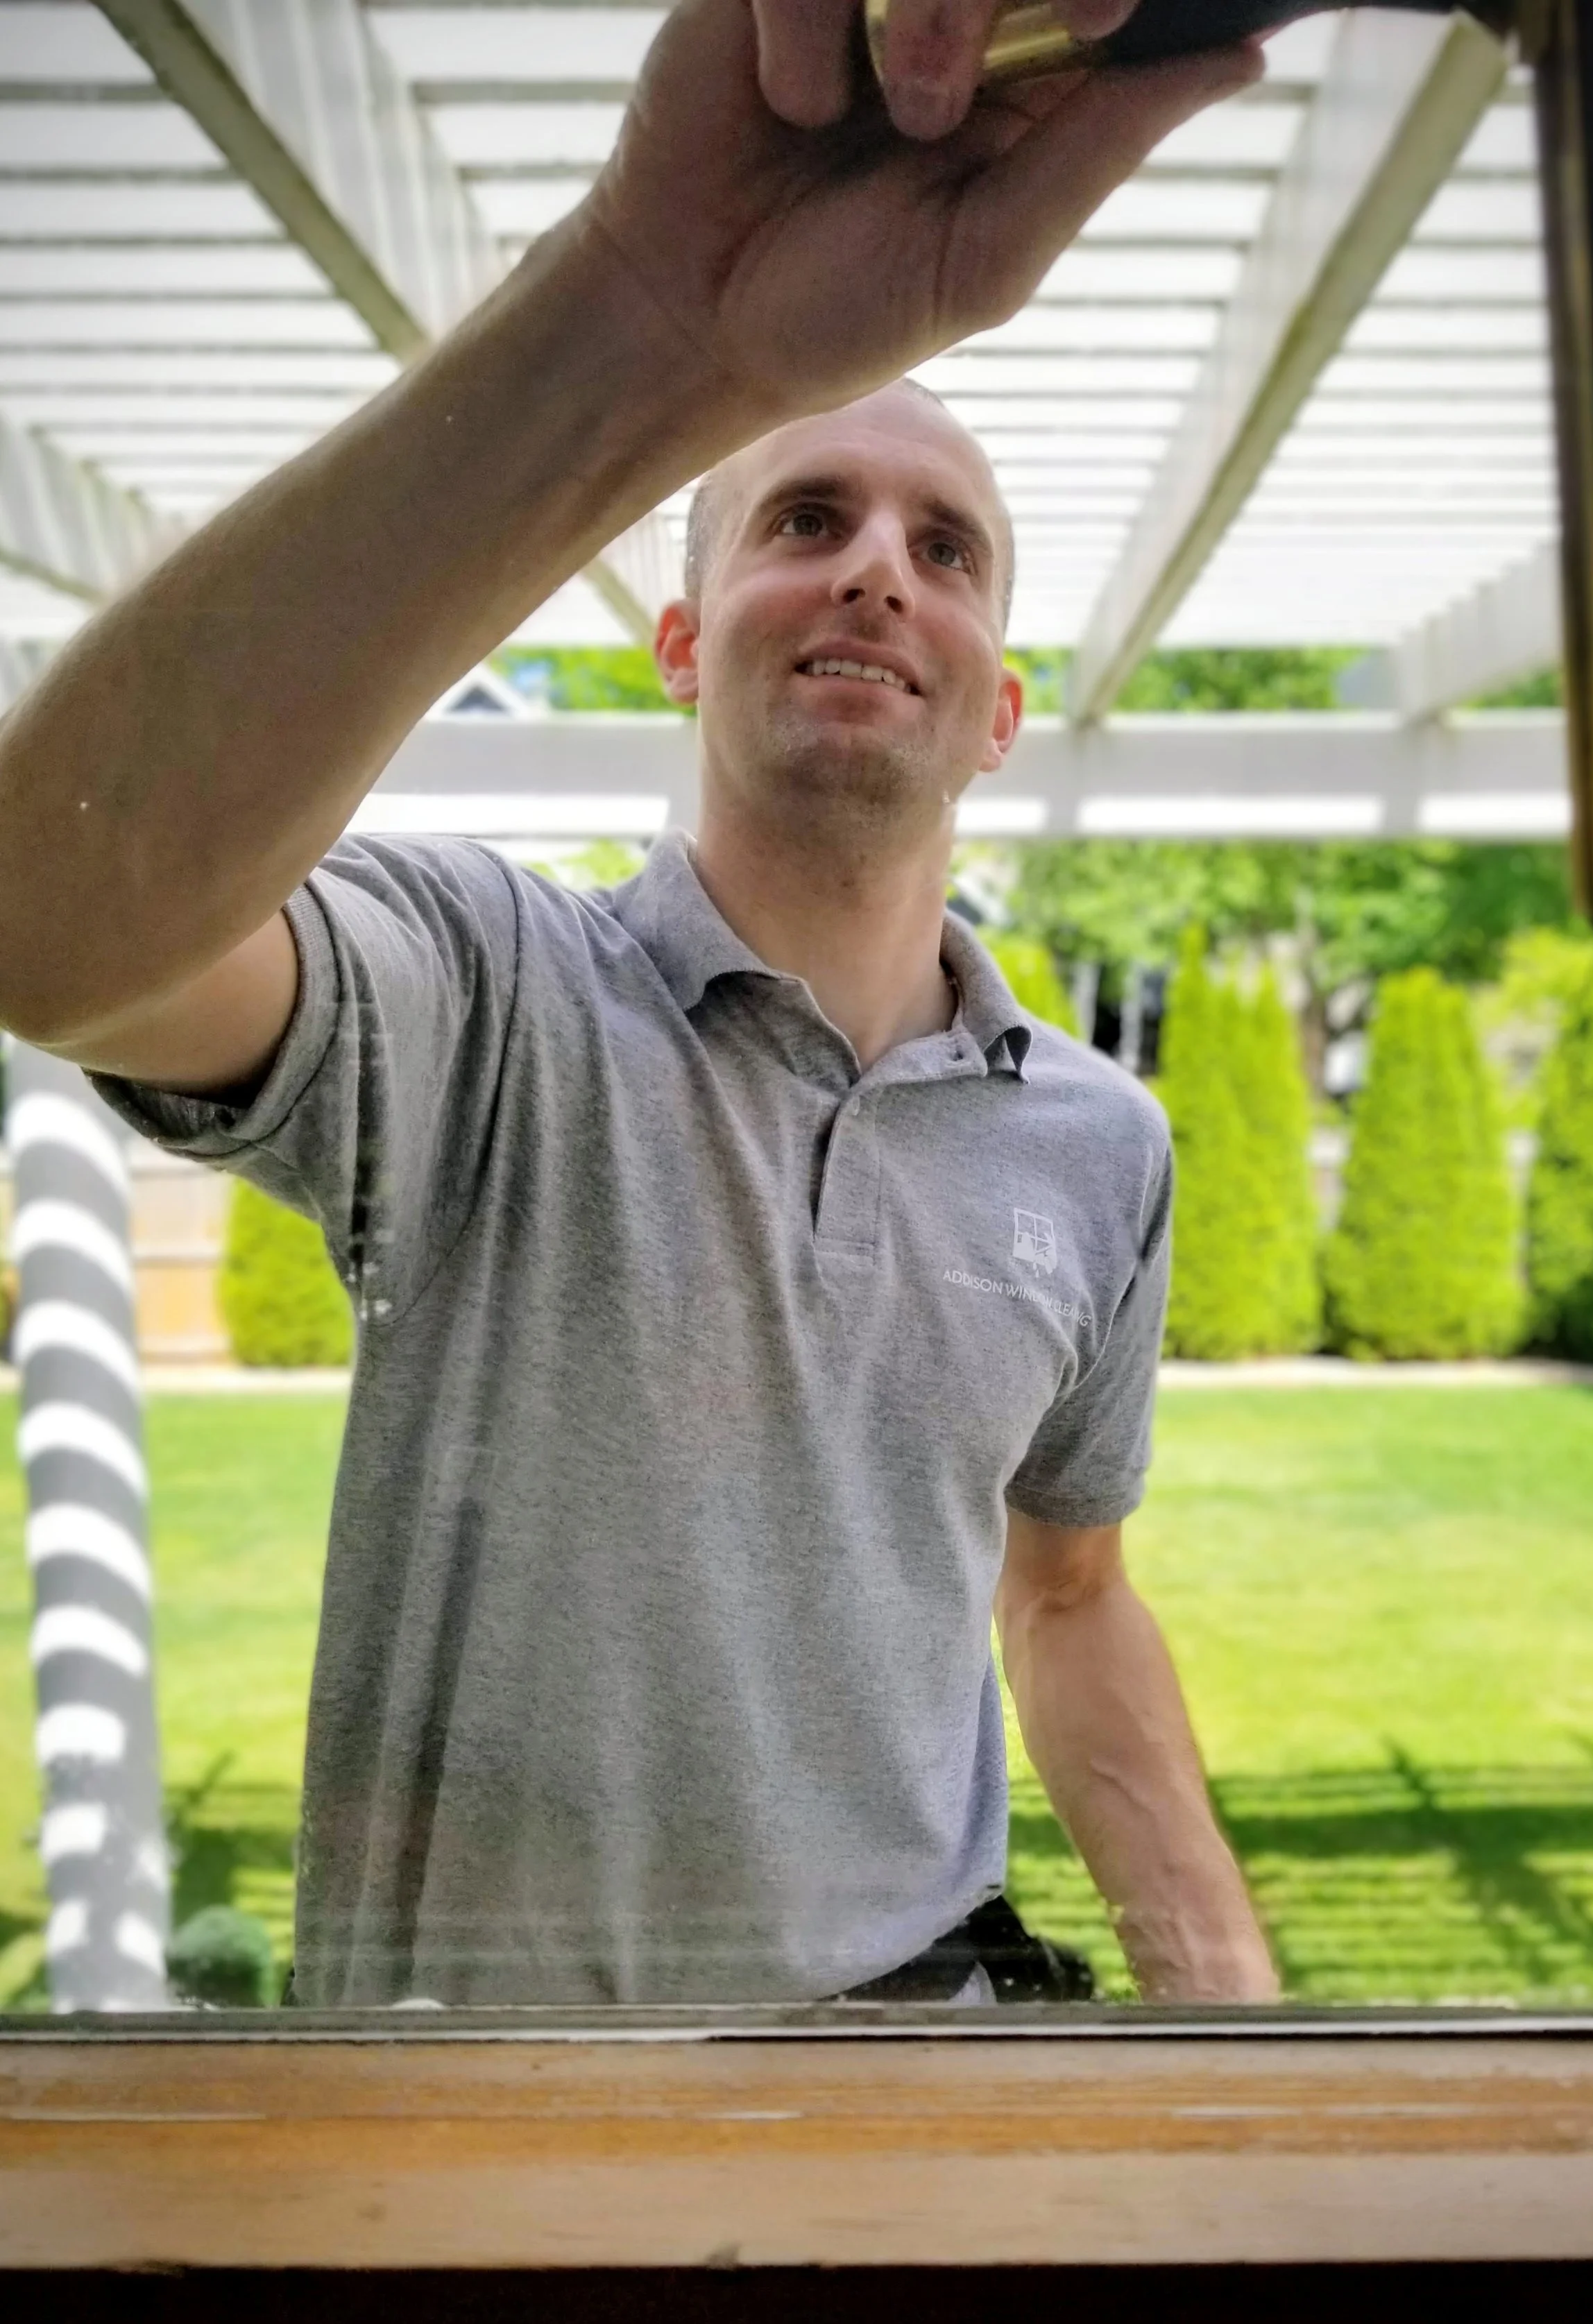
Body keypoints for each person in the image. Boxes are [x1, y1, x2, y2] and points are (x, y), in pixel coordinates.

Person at [0, 0, 1276, 2007]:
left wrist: (1235, 2035)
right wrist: (646, 321)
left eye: (946, 551)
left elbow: (1069, 1589)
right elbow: (52, 921)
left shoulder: (1096, 1144)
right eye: (807, 519)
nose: (879, 572)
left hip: (922, 2058)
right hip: (485, 2115)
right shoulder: (488, 992)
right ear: (682, 644)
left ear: (1000, 714)